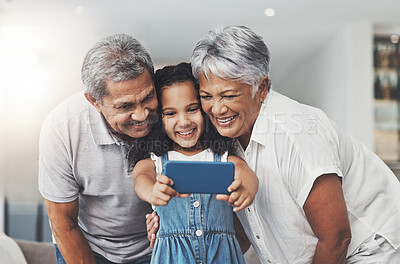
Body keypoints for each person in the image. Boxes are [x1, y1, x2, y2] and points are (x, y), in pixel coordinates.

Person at [148, 25, 400, 264]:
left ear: (262, 87)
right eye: (206, 97)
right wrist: (176, 226)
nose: (217, 108)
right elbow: (242, 232)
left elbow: (336, 238)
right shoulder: (226, 138)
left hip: (370, 251)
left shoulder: (296, 131)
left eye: (229, 95)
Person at [38, 34, 158, 264]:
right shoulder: (61, 129)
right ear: (94, 101)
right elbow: (63, 223)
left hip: (156, 244)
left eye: (147, 97)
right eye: (125, 106)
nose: (142, 115)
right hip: (88, 243)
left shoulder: (172, 109)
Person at [131, 62, 258, 263]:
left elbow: (244, 172)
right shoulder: (156, 161)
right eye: (171, 113)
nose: (184, 121)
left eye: (192, 109)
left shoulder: (222, 157)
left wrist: (247, 189)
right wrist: (152, 192)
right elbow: (141, 178)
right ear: (159, 119)